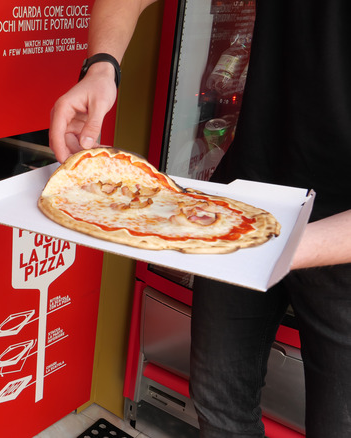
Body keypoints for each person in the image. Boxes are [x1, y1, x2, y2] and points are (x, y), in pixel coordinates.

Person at [48, 1, 351, 437]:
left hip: (332, 247)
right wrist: (101, 66)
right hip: (242, 200)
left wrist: (268, 245)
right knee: (218, 405)